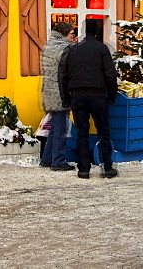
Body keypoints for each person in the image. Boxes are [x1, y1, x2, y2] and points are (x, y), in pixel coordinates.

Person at [59, 18, 119, 179]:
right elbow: (110, 75)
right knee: (104, 133)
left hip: (77, 96)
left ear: (83, 31)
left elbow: (62, 76)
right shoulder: (101, 49)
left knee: (82, 133)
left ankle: (83, 169)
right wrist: (112, 95)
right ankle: (107, 167)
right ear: (97, 32)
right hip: (99, 95)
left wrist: (66, 98)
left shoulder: (72, 50)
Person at [40, 21, 76, 171]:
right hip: (60, 91)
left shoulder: (49, 45)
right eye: (72, 34)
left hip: (50, 90)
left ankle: (47, 159)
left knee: (55, 127)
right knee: (60, 128)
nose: (74, 36)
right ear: (64, 34)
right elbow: (69, 67)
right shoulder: (62, 48)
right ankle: (58, 161)